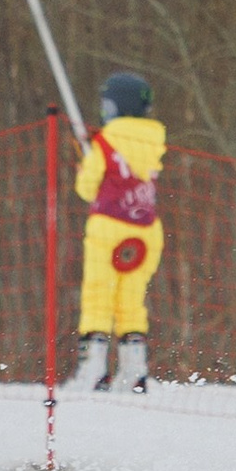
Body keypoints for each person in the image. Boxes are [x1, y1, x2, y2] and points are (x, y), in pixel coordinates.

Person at [70, 70, 165, 393]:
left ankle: (94, 368)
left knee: (98, 294)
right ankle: (134, 370)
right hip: (146, 230)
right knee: (131, 299)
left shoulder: (106, 140)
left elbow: (87, 188)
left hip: (108, 225)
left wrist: (86, 163)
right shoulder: (154, 140)